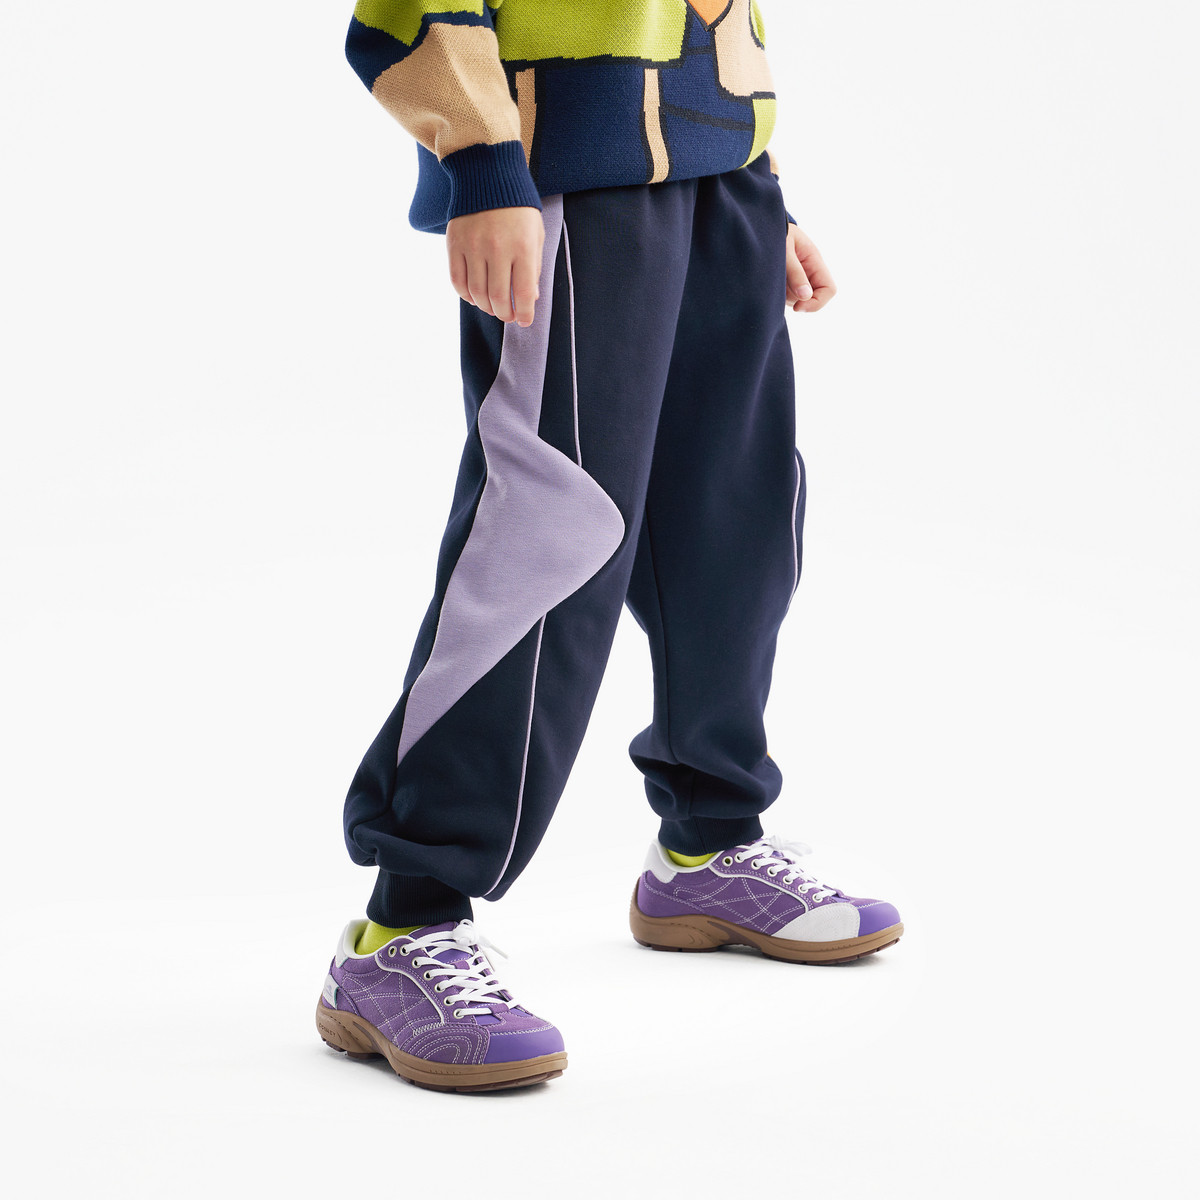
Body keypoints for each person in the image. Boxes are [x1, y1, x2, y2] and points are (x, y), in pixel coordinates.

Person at [316, 0, 902, 1094]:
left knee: (736, 523)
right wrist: (482, 163)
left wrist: (749, 175)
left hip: (716, 170)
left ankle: (708, 844)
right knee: (553, 538)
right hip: (559, 172)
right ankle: (403, 926)